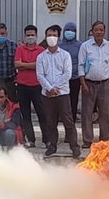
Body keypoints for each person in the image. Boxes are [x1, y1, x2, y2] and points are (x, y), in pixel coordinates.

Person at [37, 25, 78, 158]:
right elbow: (40, 75)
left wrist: (54, 88)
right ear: (45, 37)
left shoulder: (65, 55)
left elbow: (67, 74)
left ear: (59, 38)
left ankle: (74, 146)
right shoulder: (41, 57)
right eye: (49, 35)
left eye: (54, 35)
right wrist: (49, 88)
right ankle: (52, 145)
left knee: (68, 121)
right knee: (50, 121)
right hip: (47, 95)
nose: (51, 38)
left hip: (62, 94)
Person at [78, 20, 109, 148]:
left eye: (101, 30)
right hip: (88, 84)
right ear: (92, 31)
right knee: (87, 113)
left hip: (104, 85)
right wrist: (83, 83)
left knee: (104, 113)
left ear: (104, 31)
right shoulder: (85, 46)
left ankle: (104, 139)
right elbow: (80, 65)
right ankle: (87, 140)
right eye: (96, 30)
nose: (99, 32)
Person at [12, 25, 45, 148]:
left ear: (36, 36)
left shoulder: (41, 50)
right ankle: (30, 140)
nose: (30, 37)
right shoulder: (20, 49)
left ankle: (46, 139)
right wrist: (33, 65)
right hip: (22, 85)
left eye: (32, 35)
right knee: (25, 114)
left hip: (37, 85)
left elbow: (41, 65)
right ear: (25, 36)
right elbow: (17, 64)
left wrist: (24, 65)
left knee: (42, 113)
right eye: (28, 35)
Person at [59, 21, 83, 121]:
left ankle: (72, 120)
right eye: (68, 30)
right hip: (61, 79)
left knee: (73, 101)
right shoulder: (59, 45)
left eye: (73, 30)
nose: (70, 32)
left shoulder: (80, 45)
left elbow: (82, 61)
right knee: (61, 101)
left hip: (75, 78)